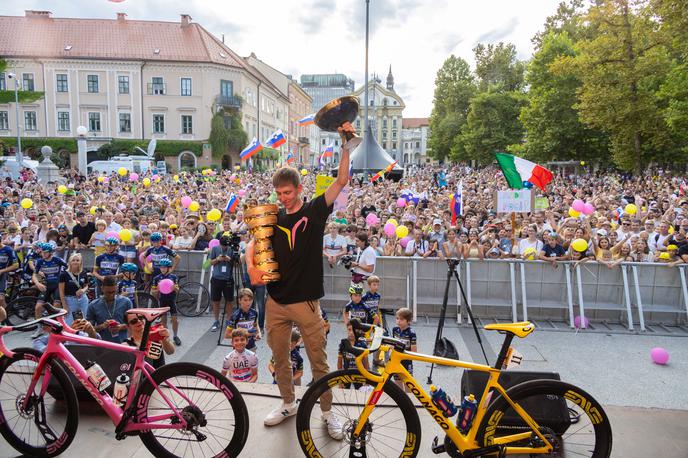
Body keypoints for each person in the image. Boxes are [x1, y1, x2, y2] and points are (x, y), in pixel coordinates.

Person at [246, 123, 353, 434]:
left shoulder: (314, 212)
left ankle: (327, 413)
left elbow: (341, 180)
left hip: (306, 302)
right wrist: (251, 258)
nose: (283, 199)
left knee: (319, 361)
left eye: (288, 192)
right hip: (276, 302)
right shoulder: (272, 218)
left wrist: (345, 145)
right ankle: (288, 403)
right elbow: (255, 243)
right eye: (279, 194)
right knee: (280, 359)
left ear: (299, 190)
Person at [31, 242, 67, 338]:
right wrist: (38, 283)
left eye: (45, 252)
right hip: (47, 285)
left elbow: (69, 269)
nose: (43, 254)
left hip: (57, 286)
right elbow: (34, 275)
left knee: (56, 305)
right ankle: (39, 328)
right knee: (38, 307)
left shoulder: (58, 260)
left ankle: (57, 327)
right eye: (42, 252)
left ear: (51, 252)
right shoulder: (39, 262)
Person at [86, 275, 131, 343]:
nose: (111, 295)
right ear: (102, 289)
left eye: (113, 292)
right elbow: (88, 329)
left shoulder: (126, 302)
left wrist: (120, 327)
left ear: (117, 289)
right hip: (102, 344)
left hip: (122, 344)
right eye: (108, 292)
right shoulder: (93, 305)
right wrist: (102, 326)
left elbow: (133, 324)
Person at [209, 232, 237, 332]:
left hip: (228, 278)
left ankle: (228, 320)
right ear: (220, 244)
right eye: (223, 246)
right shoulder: (215, 249)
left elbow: (237, 264)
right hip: (216, 278)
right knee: (215, 301)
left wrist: (230, 260)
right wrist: (217, 259)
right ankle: (216, 321)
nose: (225, 248)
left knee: (229, 301)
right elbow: (209, 263)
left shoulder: (232, 249)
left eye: (226, 246)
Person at [151, 258, 182, 346]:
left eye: (164, 267)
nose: (162, 269)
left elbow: (177, 290)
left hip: (171, 300)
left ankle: (175, 336)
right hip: (162, 300)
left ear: (169, 268)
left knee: (175, 320)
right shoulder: (156, 278)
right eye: (161, 267)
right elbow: (153, 292)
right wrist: (157, 289)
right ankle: (166, 337)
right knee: (163, 321)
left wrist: (174, 288)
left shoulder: (173, 277)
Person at [58, 253, 90, 326]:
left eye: (77, 260)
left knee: (85, 320)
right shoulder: (64, 274)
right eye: (73, 260)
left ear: (80, 262)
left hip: (83, 299)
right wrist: (64, 305)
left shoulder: (83, 272)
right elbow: (61, 291)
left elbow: (86, 286)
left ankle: (82, 335)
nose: (75, 262)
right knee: (70, 322)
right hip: (70, 300)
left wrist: (83, 290)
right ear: (70, 262)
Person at [392, 307, 417, 392]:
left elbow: (414, 351)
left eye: (401, 319)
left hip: (406, 362)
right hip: (396, 360)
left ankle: (409, 401)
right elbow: (393, 345)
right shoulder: (395, 330)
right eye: (397, 318)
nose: (398, 321)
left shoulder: (412, 333)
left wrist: (405, 355)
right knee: (397, 383)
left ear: (408, 321)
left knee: (408, 384)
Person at [0, 237, 19, 322]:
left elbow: (16, 265)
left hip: (3, 275)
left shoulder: (8, 249)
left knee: (1, 299)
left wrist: (2, 270)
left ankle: (5, 321)